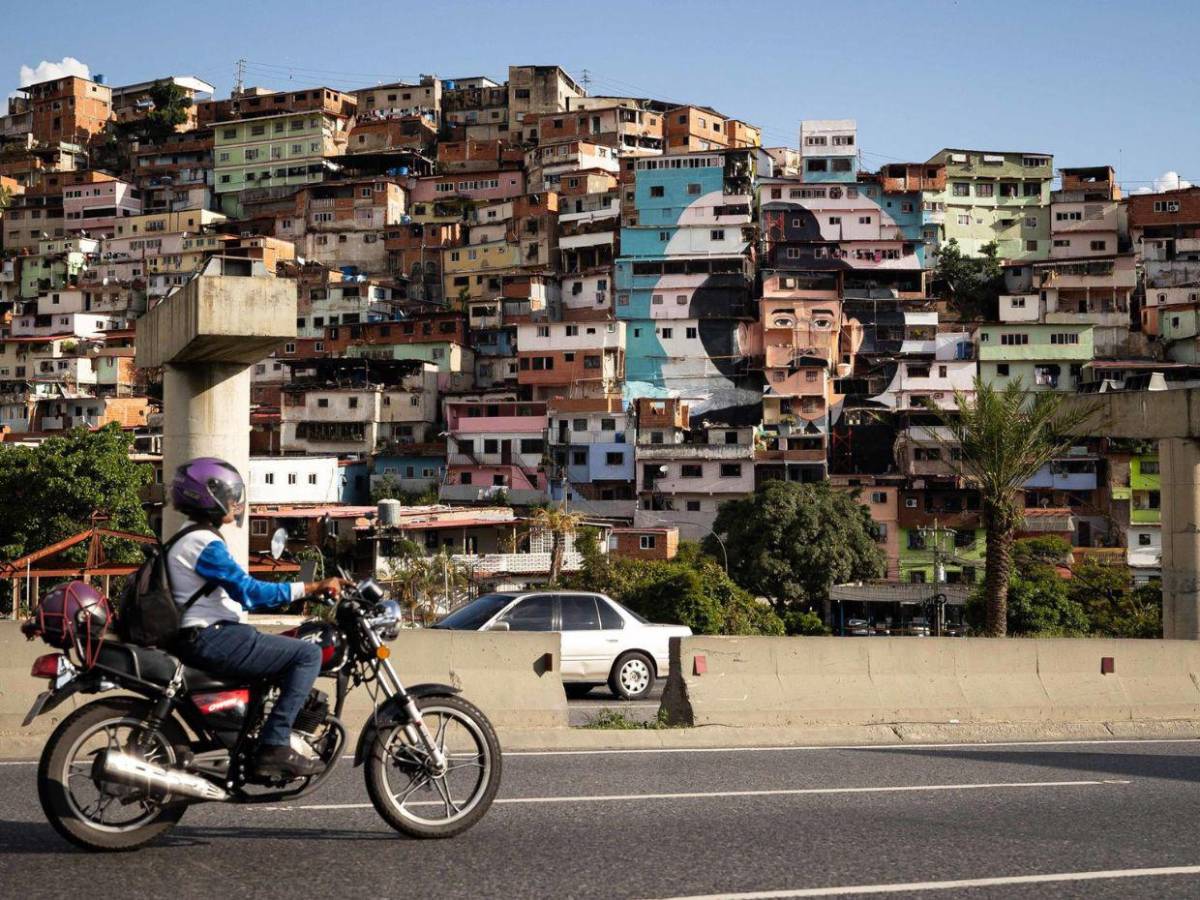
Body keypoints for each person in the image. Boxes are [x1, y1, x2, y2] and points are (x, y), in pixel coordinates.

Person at [166, 457, 345, 778]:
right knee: (307, 654)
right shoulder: (203, 543)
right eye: (230, 495)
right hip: (211, 637)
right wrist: (311, 587)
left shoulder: (187, 536)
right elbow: (249, 592)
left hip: (207, 636)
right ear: (208, 498)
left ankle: (254, 733)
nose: (236, 503)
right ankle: (275, 745)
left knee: (277, 651)